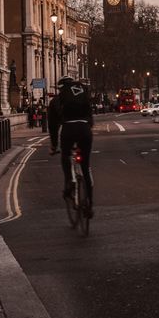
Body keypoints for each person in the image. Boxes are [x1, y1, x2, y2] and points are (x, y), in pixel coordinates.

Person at [48, 75, 94, 216]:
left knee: (65, 156)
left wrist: (54, 146)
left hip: (68, 130)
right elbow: (91, 119)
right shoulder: (83, 95)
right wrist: (86, 128)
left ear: (60, 88)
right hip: (85, 130)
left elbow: (52, 126)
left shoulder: (57, 100)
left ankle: (69, 182)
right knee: (85, 167)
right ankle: (89, 206)